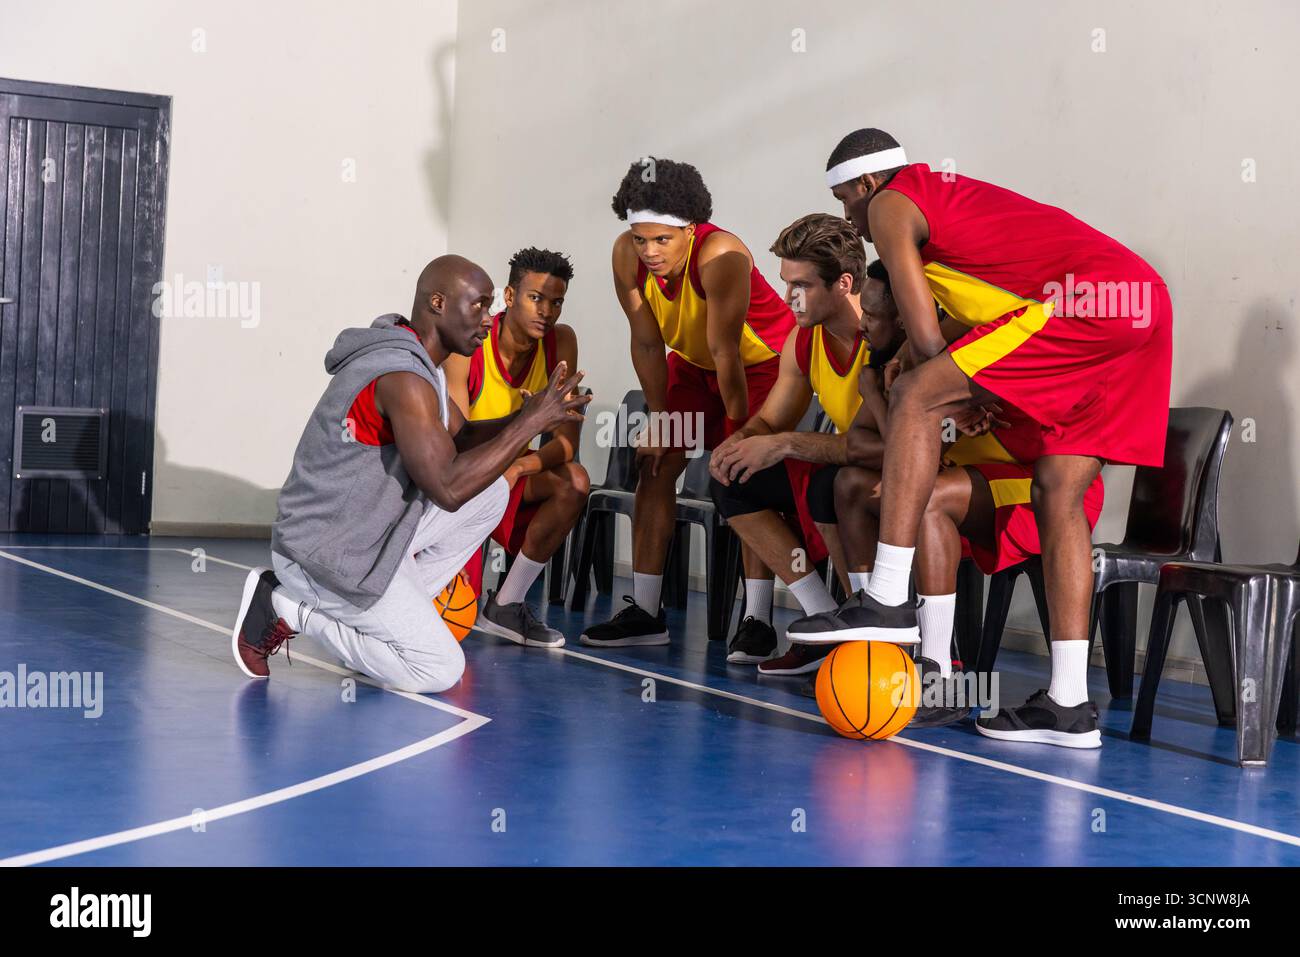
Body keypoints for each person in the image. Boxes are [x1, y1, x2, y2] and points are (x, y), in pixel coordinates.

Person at [814, 128, 1170, 747]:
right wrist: (956, 380)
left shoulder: (894, 202)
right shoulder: (952, 209)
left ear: (869, 184)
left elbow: (921, 332)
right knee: (1057, 492)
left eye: (848, 199)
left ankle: (889, 597)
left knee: (915, 395)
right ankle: (1068, 703)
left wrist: (941, 386)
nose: (854, 218)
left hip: (1089, 305)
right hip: (1140, 306)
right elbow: (976, 307)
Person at [229, 255, 589, 691]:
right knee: (440, 669)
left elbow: (464, 435)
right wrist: (529, 427)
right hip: (324, 555)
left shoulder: (421, 364)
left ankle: (376, 631)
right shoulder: (403, 377)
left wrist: (526, 415)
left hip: (367, 538)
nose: (488, 320)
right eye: (478, 305)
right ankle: (286, 607)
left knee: (493, 492)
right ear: (438, 302)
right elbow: (448, 488)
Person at [579, 157, 794, 648]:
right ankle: (646, 613)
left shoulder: (721, 255)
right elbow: (648, 343)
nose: (649, 252)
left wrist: (738, 435)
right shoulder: (625, 256)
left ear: (690, 231)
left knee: (746, 476)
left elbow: (728, 353)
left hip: (761, 367)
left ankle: (758, 620)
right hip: (696, 368)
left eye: (662, 241)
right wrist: (659, 420)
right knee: (653, 463)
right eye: (641, 239)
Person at [708, 214, 902, 674]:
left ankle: (860, 617)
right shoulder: (804, 338)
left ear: (844, 283)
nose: (788, 297)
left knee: (829, 485)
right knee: (736, 481)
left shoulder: (886, 335)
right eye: (785, 283)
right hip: (847, 466)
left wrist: (782, 444)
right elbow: (772, 418)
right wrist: (738, 445)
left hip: (893, 474)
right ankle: (822, 618)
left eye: (802, 285)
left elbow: (873, 446)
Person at [444, 247, 587, 647]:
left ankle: (508, 603)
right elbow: (454, 441)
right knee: (454, 613)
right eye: (536, 298)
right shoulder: (472, 342)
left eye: (556, 302)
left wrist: (518, 468)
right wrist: (518, 428)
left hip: (512, 477)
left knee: (574, 482)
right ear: (509, 297)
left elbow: (565, 445)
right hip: (463, 481)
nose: (547, 311)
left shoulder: (561, 343)